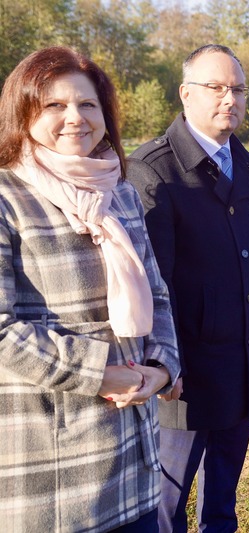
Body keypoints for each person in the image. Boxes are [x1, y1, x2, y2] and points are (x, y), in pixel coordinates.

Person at [0, 46, 180, 532]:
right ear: (23, 113)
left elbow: (156, 292)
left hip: (137, 456)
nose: (74, 118)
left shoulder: (118, 192)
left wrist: (162, 367)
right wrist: (104, 373)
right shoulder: (6, 198)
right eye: (54, 106)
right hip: (56, 470)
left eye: (87, 105)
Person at [127, 44, 249, 532]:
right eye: (216, 88)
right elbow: (154, 282)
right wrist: (163, 361)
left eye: (237, 89)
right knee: (167, 496)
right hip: (186, 368)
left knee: (226, 484)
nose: (228, 99)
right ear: (186, 93)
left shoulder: (248, 163)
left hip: (244, 352)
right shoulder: (153, 170)